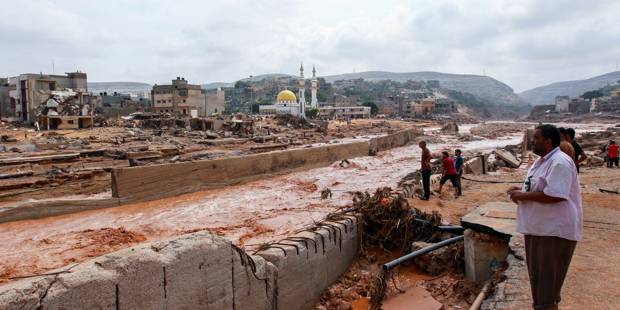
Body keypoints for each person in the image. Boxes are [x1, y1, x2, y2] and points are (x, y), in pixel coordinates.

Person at [507, 124, 582, 310]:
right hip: (539, 229)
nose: (533, 141)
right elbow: (540, 188)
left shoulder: (559, 162)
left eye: (536, 138)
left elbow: (555, 195)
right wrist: (521, 190)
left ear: (548, 142)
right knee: (542, 290)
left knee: (546, 293)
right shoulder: (542, 161)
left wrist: (523, 196)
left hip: (553, 232)